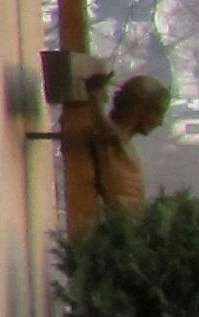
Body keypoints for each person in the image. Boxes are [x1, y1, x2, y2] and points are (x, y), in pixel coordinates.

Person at [65, 67, 171, 227]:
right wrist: (95, 96)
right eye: (158, 111)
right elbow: (106, 131)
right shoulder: (113, 141)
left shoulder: (123, 143)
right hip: (121, 228)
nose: (161, 121)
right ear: (140, 109)